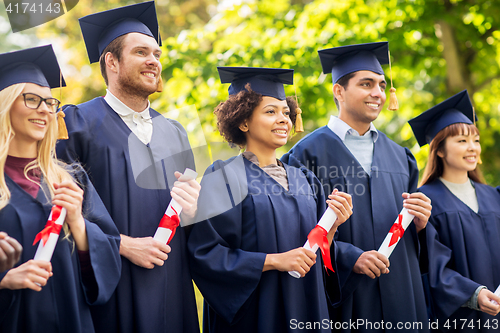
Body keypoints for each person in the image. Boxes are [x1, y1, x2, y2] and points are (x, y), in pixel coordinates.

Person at [55, 2, 201, 332]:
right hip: (110, 282)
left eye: (157, 54)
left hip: (171, 284)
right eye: (141, 52)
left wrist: (194, 207)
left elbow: (190, 219)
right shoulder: (76, 123)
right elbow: (58, 206)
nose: (154, 61)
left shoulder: (175, 132)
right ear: (112, 61)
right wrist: (121, 244)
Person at [188, 67, 353, 333]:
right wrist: (274, 261)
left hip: (306, 307)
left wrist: (332, 228)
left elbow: (318, 252)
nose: (283, 120)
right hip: (255, 313)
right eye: (270, 112)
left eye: (286, 113)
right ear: (243, 122)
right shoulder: (223, 177)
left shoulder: (306, 180)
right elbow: (206, 253)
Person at [282, 42, 432, 332]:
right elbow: (298, 233)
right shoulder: (305, 155)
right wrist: (350, 257)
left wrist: (423, 225)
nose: (378, 93)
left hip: (403, 294)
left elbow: (422, 245)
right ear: (339, 91)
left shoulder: (401, 157)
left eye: (381, 84)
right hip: (346, 300)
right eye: (366, 84)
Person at [0, 45, 121, 332]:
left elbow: (108, 259)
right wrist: (4, 280)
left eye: (50, 102)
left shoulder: (70, 179)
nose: (45, 109)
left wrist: (78, 223)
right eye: (32, 99)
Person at [409, 90, 500, 332]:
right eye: (462, 141)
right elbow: (431, 266)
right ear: (439, 150)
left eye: (475, 140)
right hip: (460, 321)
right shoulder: (425, 200)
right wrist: (473, 294)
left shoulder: (494, 196)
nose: (472, 148)